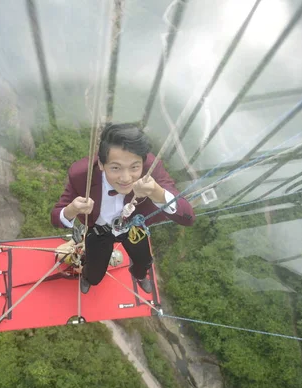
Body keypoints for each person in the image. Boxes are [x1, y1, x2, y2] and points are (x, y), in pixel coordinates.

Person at [51, 123, 195, 294]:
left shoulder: (151, 170)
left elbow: (187, 217)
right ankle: (89, 278)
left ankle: (139, 275)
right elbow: (56, 217)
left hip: (133, 227)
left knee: (144, 260)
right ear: (102, 164)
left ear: (142, 163)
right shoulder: (82, 175)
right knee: (95, 271)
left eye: (134, 167)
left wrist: (156, 192)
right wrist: (72, 210)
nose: (126, 178)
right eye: (115, 168)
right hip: (99, 231)